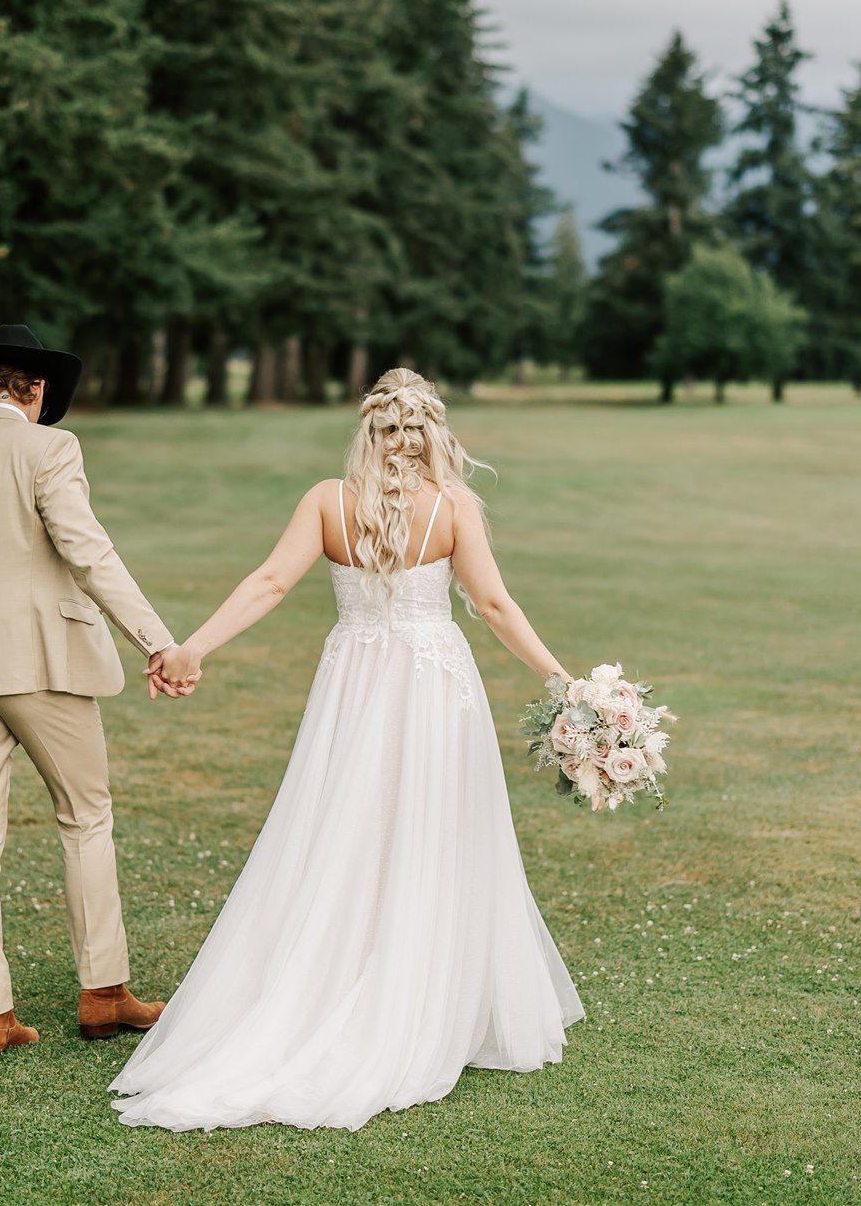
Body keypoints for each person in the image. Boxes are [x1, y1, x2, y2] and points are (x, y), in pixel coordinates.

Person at [109, 368, 584, 1131]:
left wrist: (192, 646)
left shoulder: (327, 501)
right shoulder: (454, 506)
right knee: (432, 832)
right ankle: (418, 993)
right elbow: (493, 605)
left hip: (355, 683)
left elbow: (268, 582)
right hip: (434, 687)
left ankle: (341, 977)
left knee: (346, 827)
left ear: (368, 429)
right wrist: (564, 681)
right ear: (430, 431)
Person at [0, 324, 201, 1057]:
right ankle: (103, 994)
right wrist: (158, 640)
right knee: (85, 816)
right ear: (33, 388)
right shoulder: (50, 448)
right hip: (44, 663)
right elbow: (87, 550)